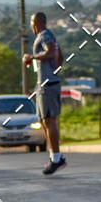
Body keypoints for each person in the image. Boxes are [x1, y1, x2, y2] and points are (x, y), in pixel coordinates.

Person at [23, 11, 66, 175]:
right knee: (43, 119)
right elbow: (60, 55)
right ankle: (54, 156)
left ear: (36, 23)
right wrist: (55, 70)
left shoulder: (44, 36)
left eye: (31, 23)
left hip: (48, 84)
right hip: (45, 83)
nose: (31, 26)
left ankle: (57, 158)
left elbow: (53, 53)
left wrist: (32, 57)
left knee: (49, 121)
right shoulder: (48, 35)